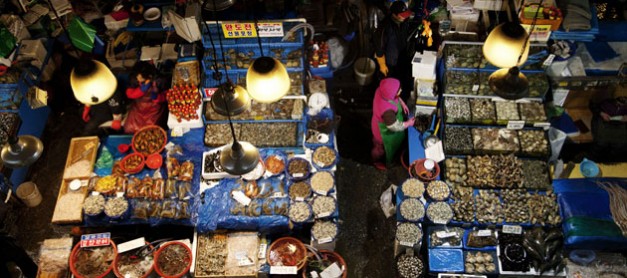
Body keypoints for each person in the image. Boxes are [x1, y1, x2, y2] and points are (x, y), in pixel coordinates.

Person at [373, 0, 418, 101]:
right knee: (391, 87)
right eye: (403, 15)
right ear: (394, 15)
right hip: (390, 64)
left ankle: (403, 100)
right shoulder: (384, 27)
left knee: (403, 84)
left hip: (402, 58)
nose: (405, 17)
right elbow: (379, 50)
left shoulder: (403, 21)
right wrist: (382, 66)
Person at [371, 78, 415, 170]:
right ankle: (378, 162)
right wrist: (408, 123)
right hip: (383, 132)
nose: (401, 90)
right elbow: (394, 126)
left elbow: (394, 97)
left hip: (376, 121)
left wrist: (402, 103)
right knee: (380, 148)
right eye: (399, 90)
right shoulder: (387, 111)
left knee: (377, 143)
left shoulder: (380, 90)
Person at [124, 61, 167, 134]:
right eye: (137, 76)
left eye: (141, 77)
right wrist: (140, 90)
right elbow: (129, 94)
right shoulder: (134, 79)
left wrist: (157, 97)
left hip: (154, 109)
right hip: (138, 107)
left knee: (151, 131)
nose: (138, 79)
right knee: (129, 128)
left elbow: (167, 96)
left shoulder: (159, 80)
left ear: (149, 76)